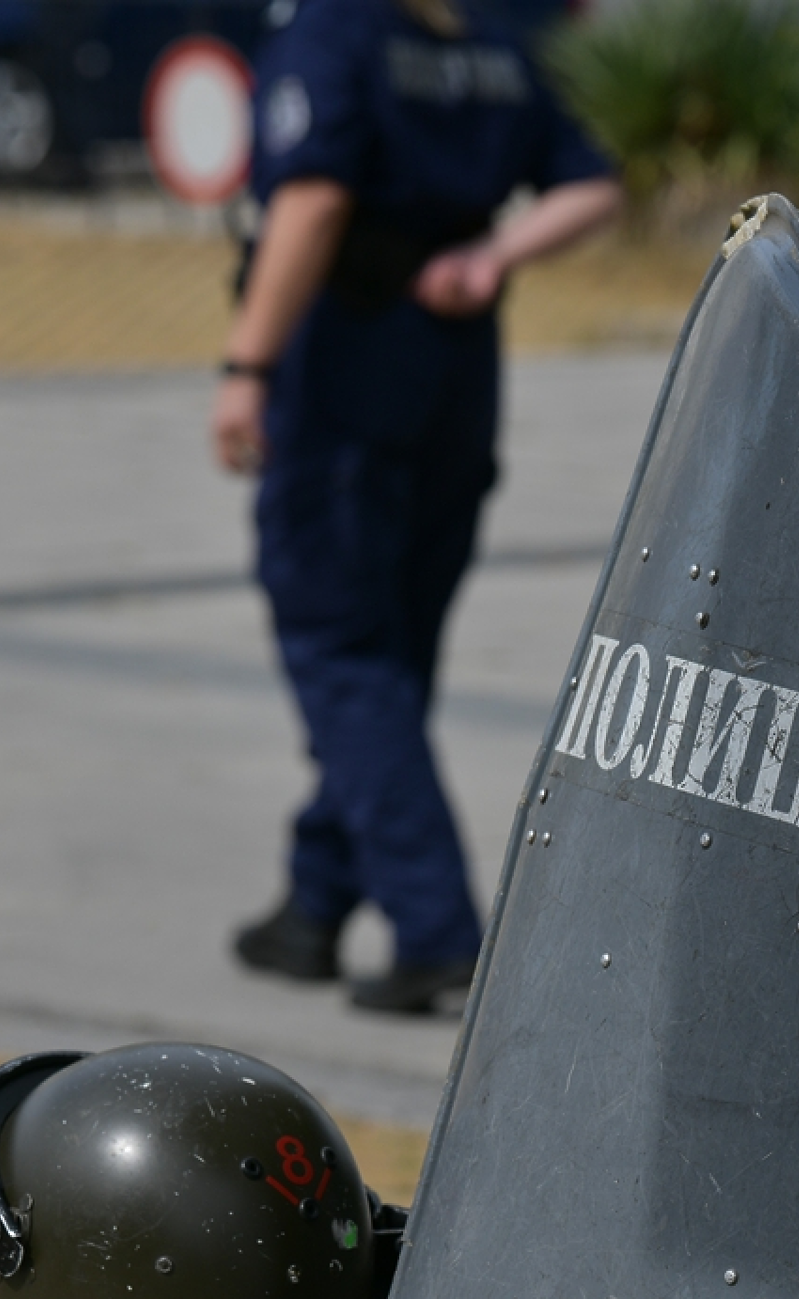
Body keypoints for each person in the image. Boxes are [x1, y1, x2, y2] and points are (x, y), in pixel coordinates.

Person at [213, 0, 621, 1014]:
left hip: (346, 369)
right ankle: (313, 902)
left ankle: (431, 930)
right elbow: (591, 184)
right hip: (454, 372)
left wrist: (245, 363)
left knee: (341, 645)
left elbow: (307, 205)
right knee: (393, 645)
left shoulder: (332, 36)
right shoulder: (481, 44)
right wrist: (493, 259)